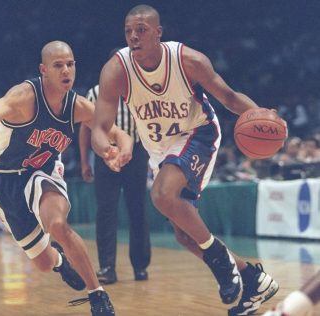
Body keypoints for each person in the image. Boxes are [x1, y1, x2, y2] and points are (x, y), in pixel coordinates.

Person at [91, 5, 282, 315]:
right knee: (183, 233)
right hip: (160, 149)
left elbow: (230, 97)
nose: (134, 37)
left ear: (158, 33)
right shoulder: (115, 70)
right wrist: (106, 150)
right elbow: (99, 128)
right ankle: (253, 278)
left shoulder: (187, 60)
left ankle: (219, 260)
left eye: (141, 30)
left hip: (199, 133)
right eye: (128, 31)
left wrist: (261, 114)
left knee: (163, 195)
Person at [0, 40, 134, 316]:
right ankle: (60, 261)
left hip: (43, 171)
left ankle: (98, 294)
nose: (66, 70)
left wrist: (123, 151)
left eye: (70, 64)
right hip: (3, 180)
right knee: (43, 263)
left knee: (57, 223)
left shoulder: (78, 106)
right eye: (58, 65)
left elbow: (119, 133)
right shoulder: (23, 96)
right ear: (43, 70)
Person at [79, 81, 151, 284]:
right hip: (105, 153)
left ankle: (140, 266)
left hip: (136, 153)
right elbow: (85, 128)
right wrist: (85, 161)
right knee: (105, 211)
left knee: (137, 208)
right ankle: (107, 267)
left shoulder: (138, 90)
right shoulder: (94, 92)